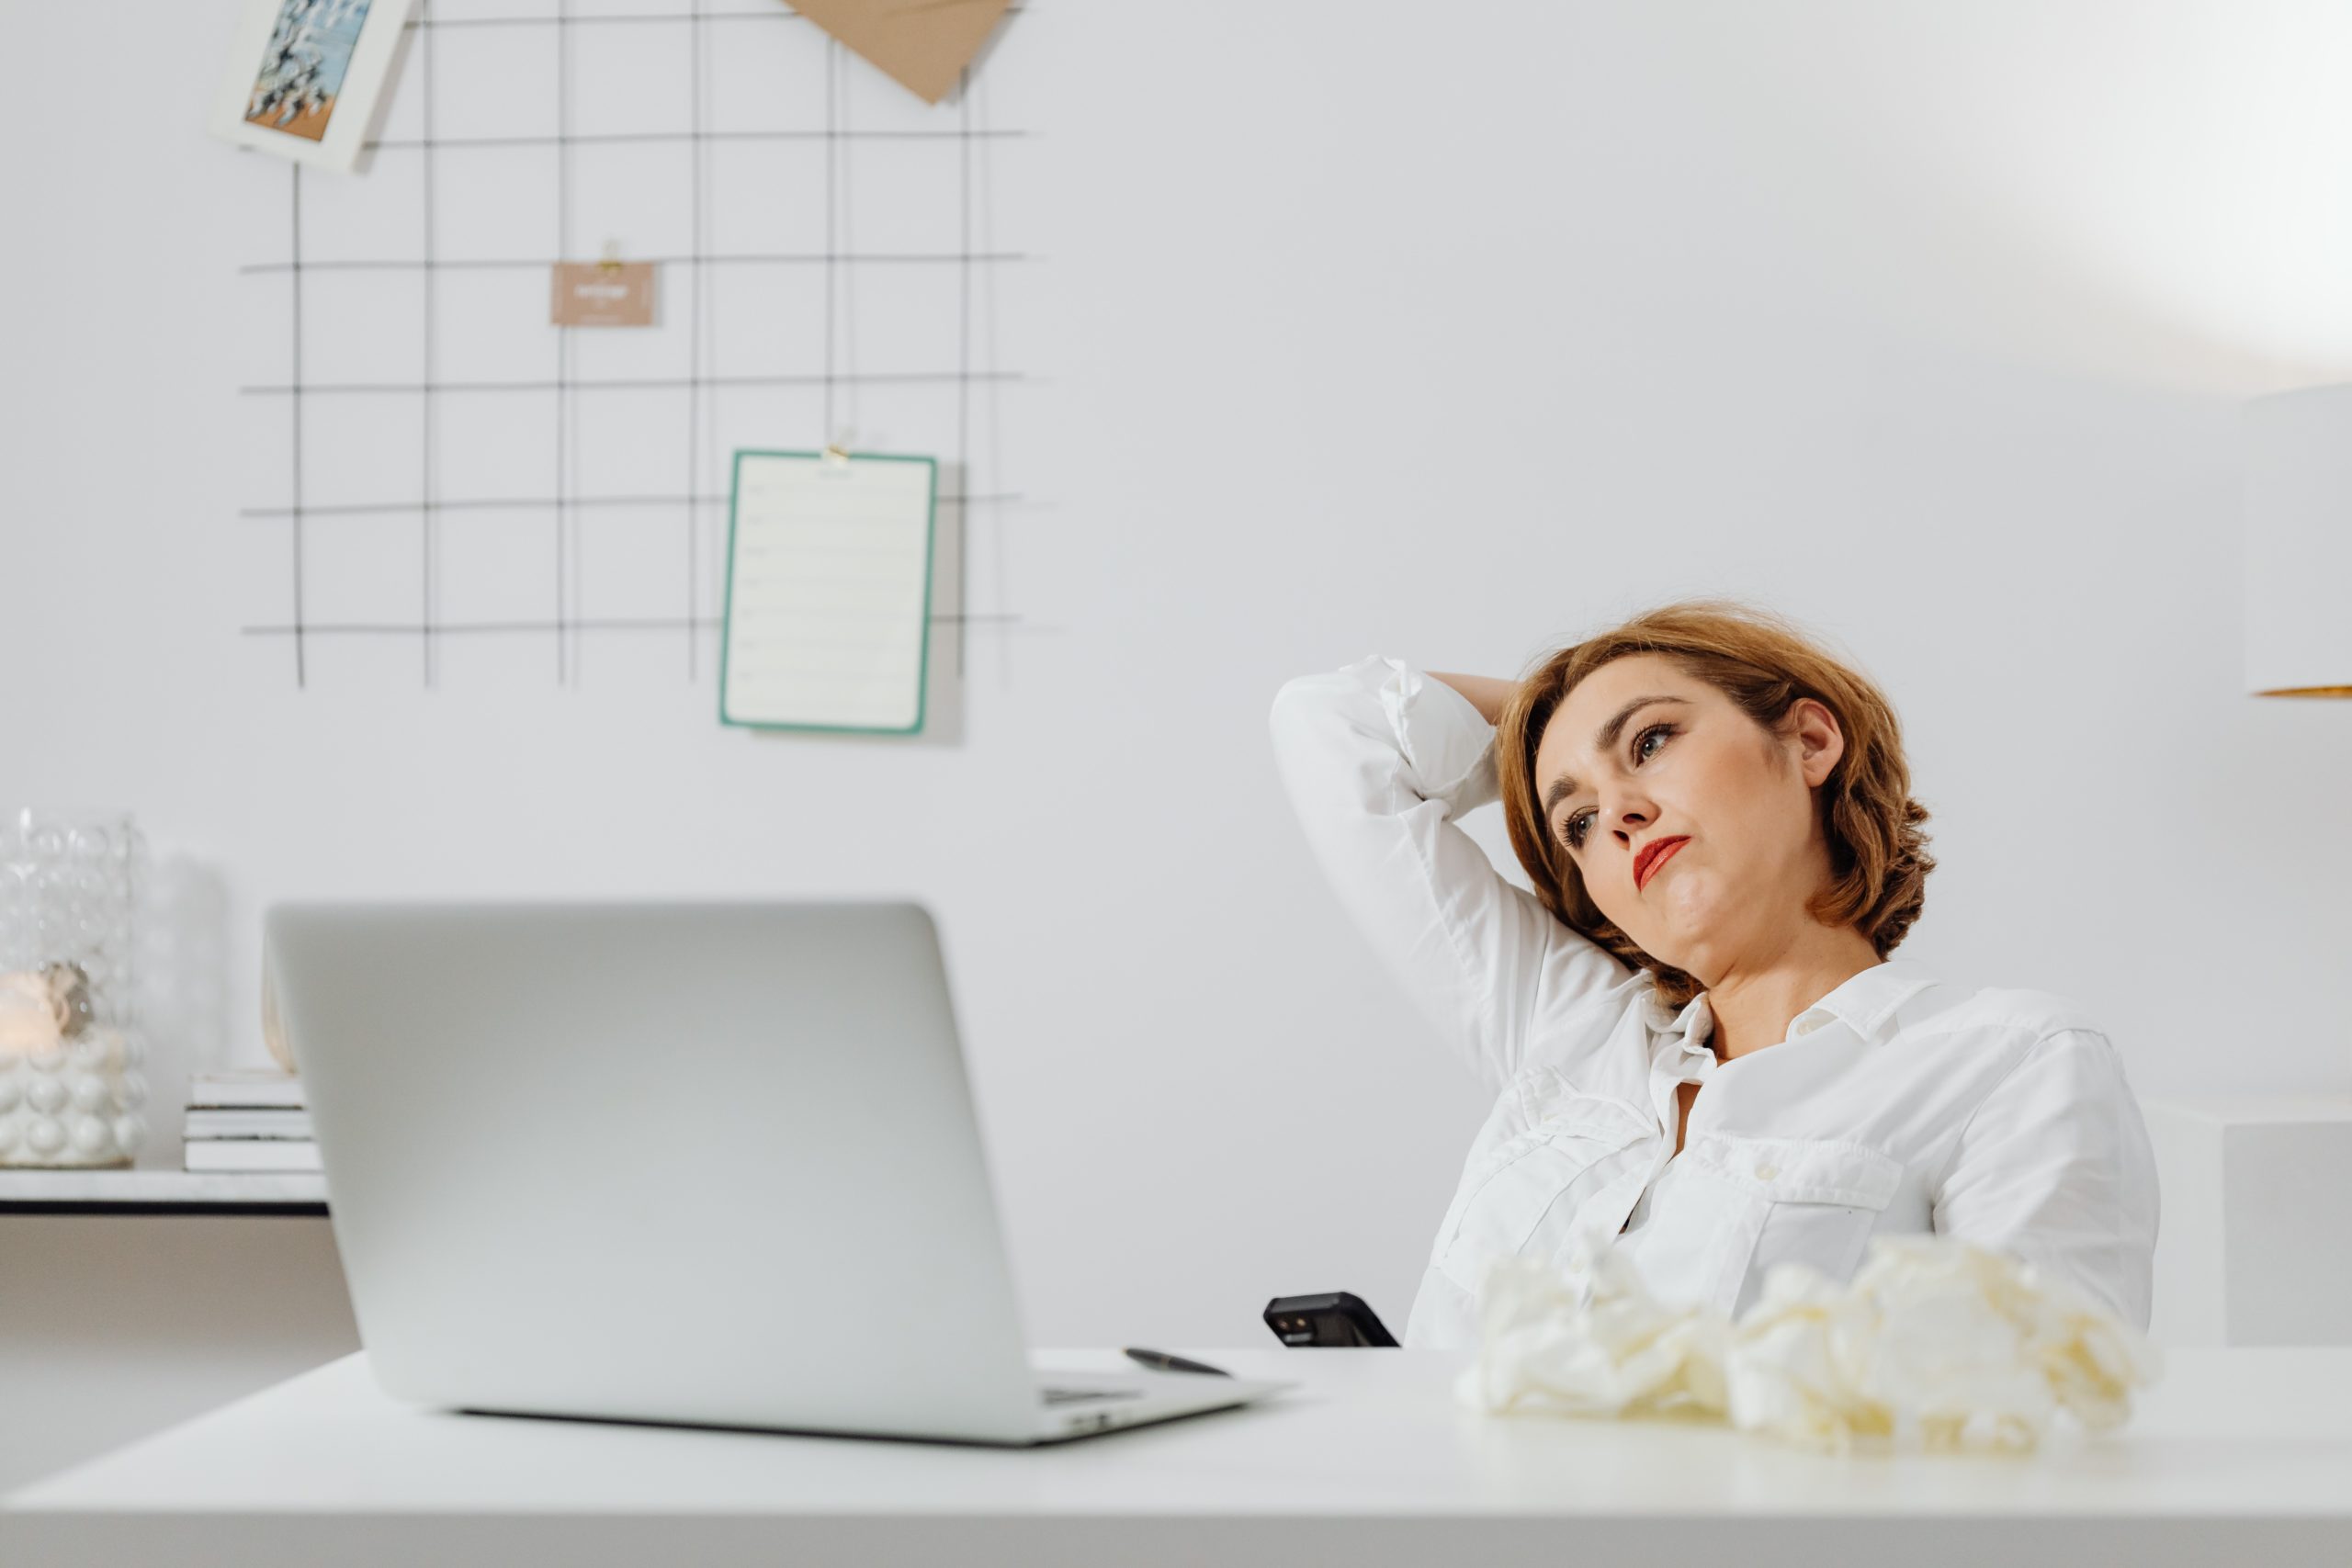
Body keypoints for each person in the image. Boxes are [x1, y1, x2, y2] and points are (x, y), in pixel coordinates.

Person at [1268, 598, 2158, 1348]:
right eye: (1573, 822)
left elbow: (2044, 1431)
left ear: (1811, 739)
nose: (1613, 810)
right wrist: (1554, 720)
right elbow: (1328, 725)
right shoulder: (1568, 1032)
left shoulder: (2007, 1062)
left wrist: (1570, 725)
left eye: (1651, 742)